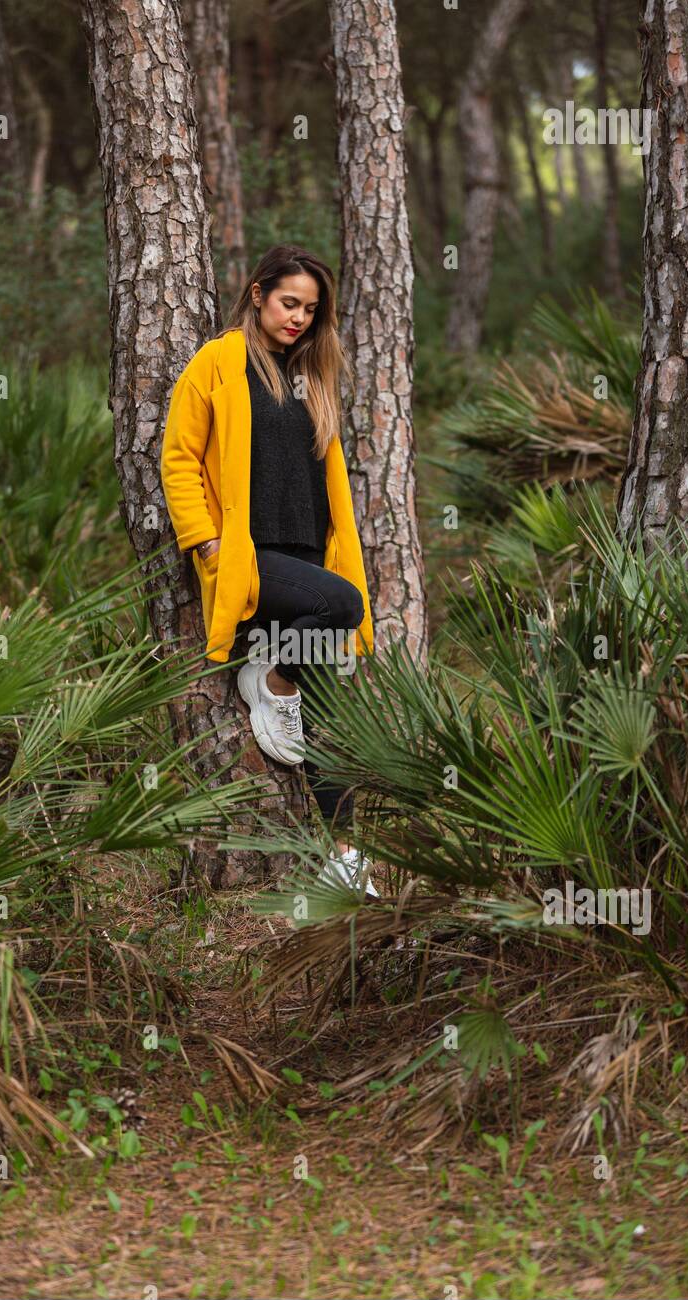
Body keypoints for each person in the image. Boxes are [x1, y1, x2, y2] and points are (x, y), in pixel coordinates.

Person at [161, 244, 378, 896]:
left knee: (332, 711)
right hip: (251, 560)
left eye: (311, 310)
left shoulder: (313, 373)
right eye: (289, 303)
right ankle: (271, 675)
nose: (299, 319)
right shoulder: (220, 362)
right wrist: (206, 545)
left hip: (310, 554)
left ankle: (346, 860)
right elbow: (178, 457)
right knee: (344, 606)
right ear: (257, 294)